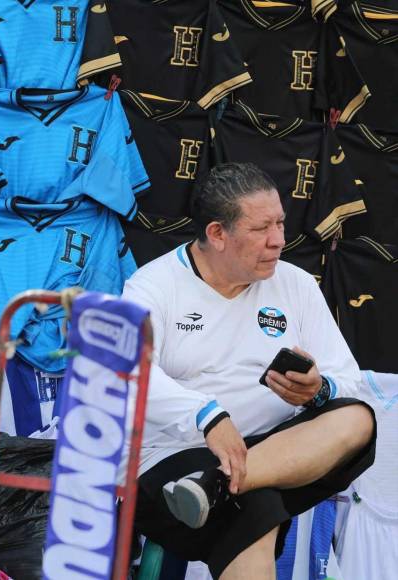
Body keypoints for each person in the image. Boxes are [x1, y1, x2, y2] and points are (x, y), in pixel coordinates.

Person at [121, 162, 376, 579]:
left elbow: (351, 383)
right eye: (261, 229)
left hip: (279, 454)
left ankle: (219, 484)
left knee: (357, 418)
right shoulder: (154, 286)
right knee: (257, 508)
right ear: (218, 234)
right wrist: (207, 416)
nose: (278, 240)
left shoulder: (295, 284)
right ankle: (228, 483)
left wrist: (318, 391)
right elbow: (130, 375)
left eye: (280, 223)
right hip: (170, 457)